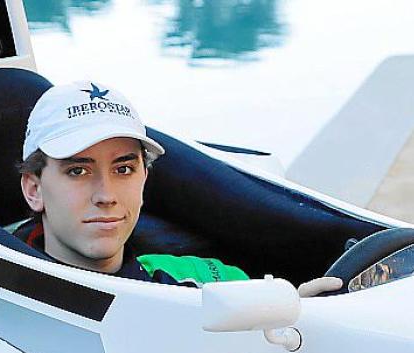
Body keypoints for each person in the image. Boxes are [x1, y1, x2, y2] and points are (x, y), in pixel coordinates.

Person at [17, 81, 342, 296]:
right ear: (34, 190)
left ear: (144, 179)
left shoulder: (203, 278)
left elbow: (270, 316)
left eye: (123, 169)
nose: (106, 196)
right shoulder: (1, 293)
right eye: (78, 171)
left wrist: (299, 314)